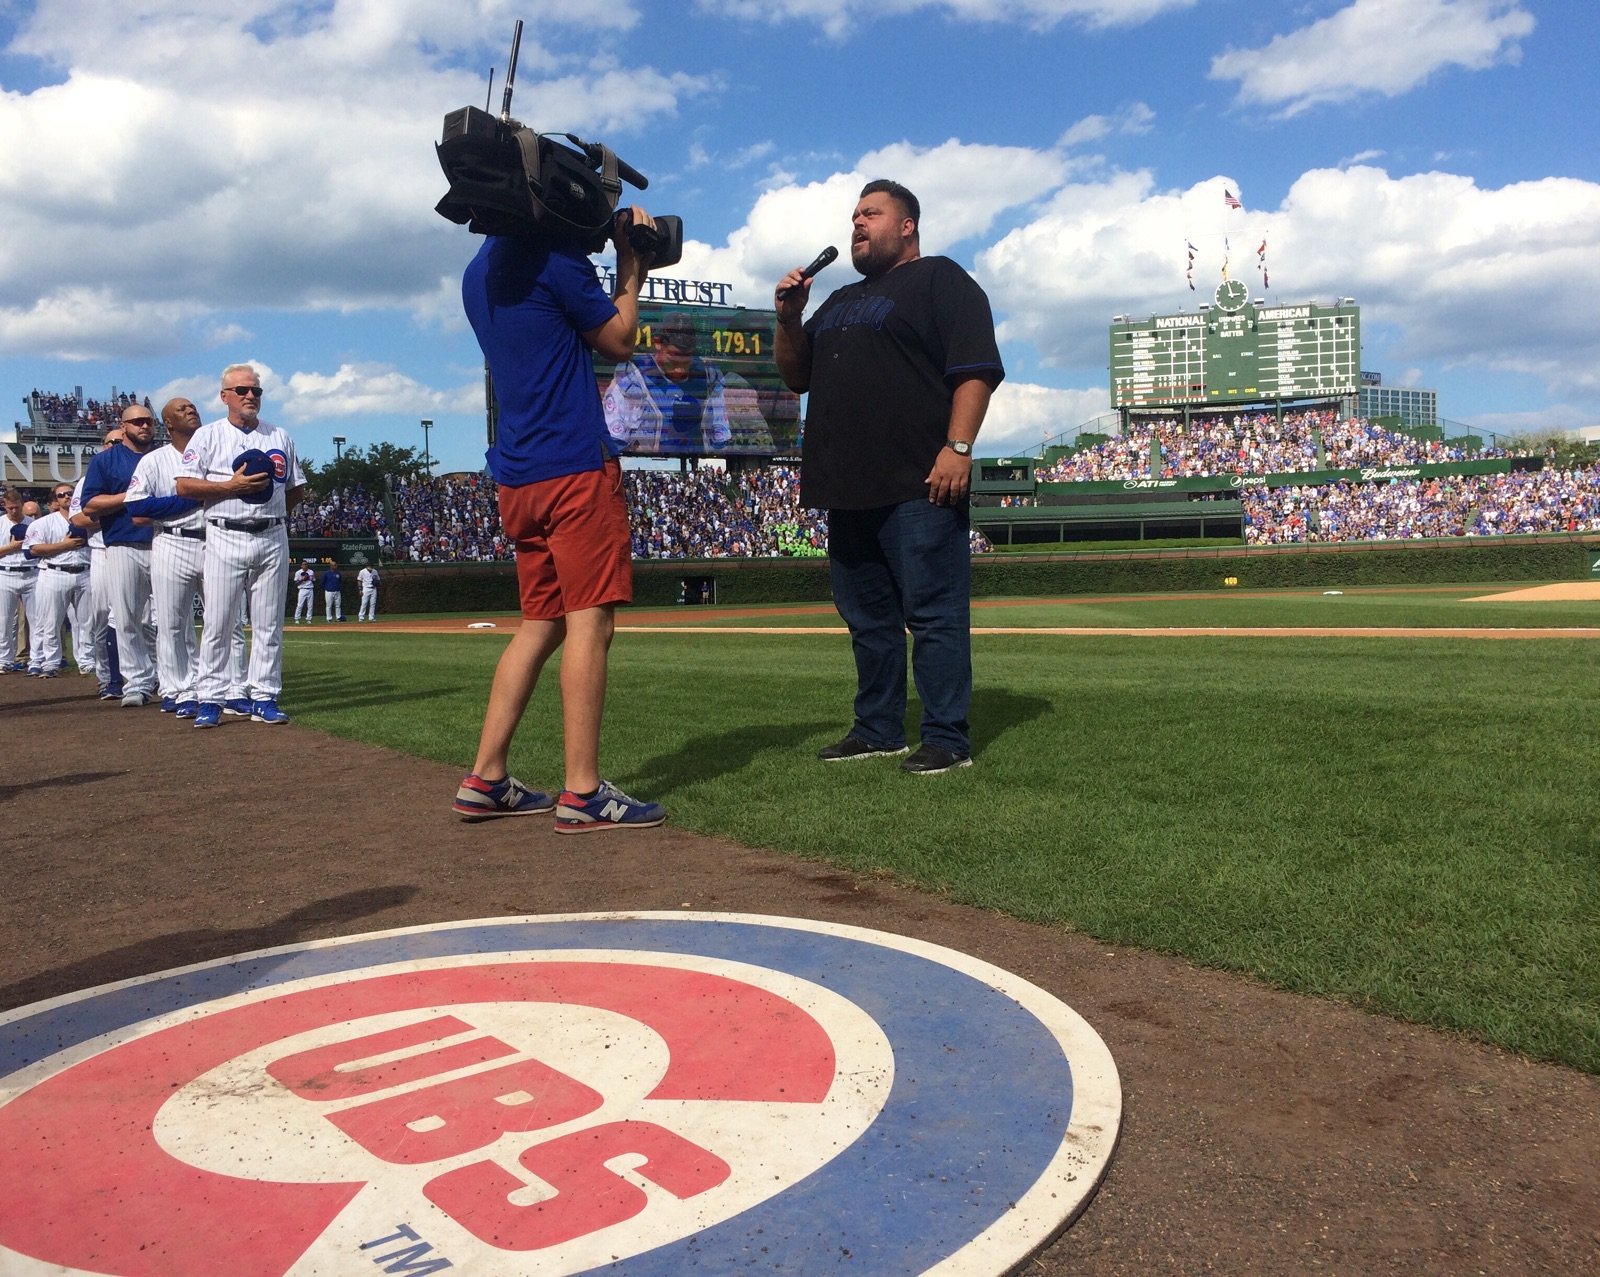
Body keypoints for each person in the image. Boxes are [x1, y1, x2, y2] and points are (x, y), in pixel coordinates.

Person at [775, 180, 1004, 774]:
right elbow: (796, 375)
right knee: (868, 620)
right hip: (846, 488)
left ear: (907, 226)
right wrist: (789, 319)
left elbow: (974, 368)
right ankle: (878, 729)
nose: (858, 223)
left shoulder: (940, 279)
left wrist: (958, 447)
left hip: (918, 482)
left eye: (871, 213)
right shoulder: (841, 299)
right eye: (854, 215)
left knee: (933, 613)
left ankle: (946, 737)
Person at [453, 207, 666, 831]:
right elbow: (620, 339)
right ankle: (583, 792)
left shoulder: (480, 267)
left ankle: (486, 776)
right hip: (573, 464)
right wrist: (632, 262)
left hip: (517, 474)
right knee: (589, 623)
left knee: (539, 623)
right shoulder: (555, 259)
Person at [175, 363, 306, 728]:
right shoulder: (207, 436)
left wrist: (272, 511)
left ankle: (264, 695)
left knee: (268, 623)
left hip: (271, 534)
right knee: (218, 621)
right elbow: (184, 486)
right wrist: (228, 489)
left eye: (256, 391)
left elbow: (297, 487)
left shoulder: (279, 435)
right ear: (225, 396)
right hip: (224, 532)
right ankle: (211, 698)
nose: (251, 396)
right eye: (243, 391)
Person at [123, 397, 218, 717]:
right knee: (172, 622)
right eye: (181, 409)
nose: (190, 410)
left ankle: (224, 687)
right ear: (169, 424)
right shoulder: (154, 461)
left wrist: (193, 494)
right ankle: (178, 689)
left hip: (216, 539)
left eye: (193, 407)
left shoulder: (217, 453)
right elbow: (136, 510)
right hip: (172, 541)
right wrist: (195, 498)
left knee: (225, 620)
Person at [81, 403, 160, 707]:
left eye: (148, 421)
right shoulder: (106, 460)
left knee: (166, 619)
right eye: (137, 421)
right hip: (122, 543)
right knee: (127, 618)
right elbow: (90, 505)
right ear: (123, 426)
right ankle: (137, 682)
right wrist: (130, 496)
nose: (144, 426)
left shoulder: (161, 457)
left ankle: (170, 680)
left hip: (161, 541)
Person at [601, 313, 772, 454]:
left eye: (687, 355)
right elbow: (614, 439)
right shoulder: (631, 375)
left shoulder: (708, 375)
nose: (680, 364)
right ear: (658, 344)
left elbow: (719, 439)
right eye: (674, 355)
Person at [19, 484, 90, 677]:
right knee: (50, 622)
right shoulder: (43, 523)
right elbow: (30, 551)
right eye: (62, 495)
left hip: (85, 571)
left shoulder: (89, 520)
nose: (67, 497)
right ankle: (51, 662)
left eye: (70, 493)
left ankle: (86, 661)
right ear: (55, 500)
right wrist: (63, 545)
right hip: (54, 572)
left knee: (87, 622)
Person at [0, 488, 39, 673]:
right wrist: (11, 547)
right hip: (6, 572)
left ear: (22, 505)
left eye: (16, 507)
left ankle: (37, 660)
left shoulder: (33, 524)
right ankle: (4, 660)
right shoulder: (0, 524)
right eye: (10, 508)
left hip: (31, 572)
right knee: (4, 620)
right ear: (4, 506)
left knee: (36, 619)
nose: (14, 511)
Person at [293, 559, 316, 623]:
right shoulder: (298, 572)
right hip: (302, 589)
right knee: (300, 605)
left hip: (310, 589)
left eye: (306, 564)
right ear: (301, 566)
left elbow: (314, 580)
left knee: (310, 605)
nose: (305, 566)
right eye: (303, 564)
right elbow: (296, 583)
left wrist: (309, 578)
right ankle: (297, 619)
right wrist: (302, 579)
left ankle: (309, 619)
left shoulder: (311, 571)